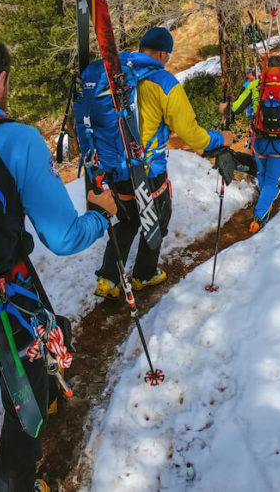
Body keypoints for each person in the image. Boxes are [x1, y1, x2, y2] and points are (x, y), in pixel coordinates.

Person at [0, 36, 117, 492]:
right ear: (0, 81)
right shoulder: (14, 139)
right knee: (23, 398)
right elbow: (62, 237)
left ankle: (45, 388)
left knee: (46, 330)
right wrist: (101, 215)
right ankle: (14, 481)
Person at [92, 26, 234, 299]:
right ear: (160, 53)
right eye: (167, 56)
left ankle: (107, 279)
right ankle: (144, 275)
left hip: (115, 167)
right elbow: (192, 135)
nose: (167, 61)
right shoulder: (164, 82)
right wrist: (220, 138)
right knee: (156, 217)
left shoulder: (115, 76)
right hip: (148, 169)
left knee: (126, 219)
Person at [224, 55, 280, 232]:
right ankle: (259, 216)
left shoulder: (254, 86)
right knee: (272, 182)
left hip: (259, 140)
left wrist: (227, 105)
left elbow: (235, 109)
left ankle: (265, 208)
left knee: (262, 174)